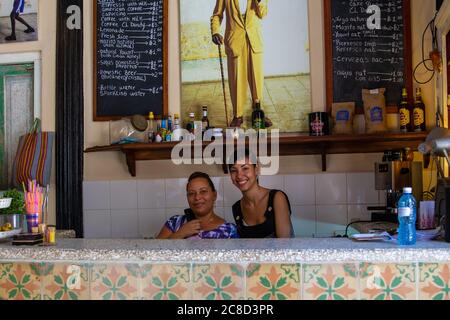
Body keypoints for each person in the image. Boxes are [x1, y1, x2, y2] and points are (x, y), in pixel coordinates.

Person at [211, 0, 271, 128]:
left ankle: (258, 113)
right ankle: (238, 116)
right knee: (236, 80)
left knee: (257, 80)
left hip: (254, 40)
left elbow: (263, 14)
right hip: (235, 42)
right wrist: (215, 31)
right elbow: (217, 14)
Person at [228, 149, 294, 238]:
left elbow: (284, 245)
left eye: (245, 168)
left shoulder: (277, 198)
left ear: (256, 169)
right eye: (234, 170)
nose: (239, 175)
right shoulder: (236, 208)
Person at [157, 172, 238, 239]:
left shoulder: (229, 230)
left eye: (203, 191)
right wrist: (180, 233)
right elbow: (153, 252)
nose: (197, 197)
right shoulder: (174, 222)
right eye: (191, 193)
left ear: (214, 195)